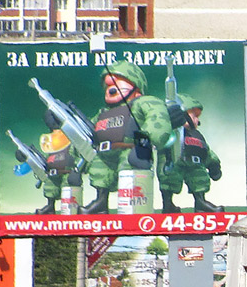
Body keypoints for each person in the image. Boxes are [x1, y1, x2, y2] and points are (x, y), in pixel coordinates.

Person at [83, 59, 176, 213]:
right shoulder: (103, 113)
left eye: (116, 84)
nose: (110, 89)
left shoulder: (144, 102)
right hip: (105, 154)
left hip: (130, 151)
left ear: (135, 84)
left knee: (129, 168)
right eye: (107, 86)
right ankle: (101, 202)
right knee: (98, 169)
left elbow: (157, 119)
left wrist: (144, 144)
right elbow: (90, 131)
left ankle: (134, 208)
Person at [158, 94, 224, 213]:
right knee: (169, 179)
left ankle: (200, 202)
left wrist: (214, 165)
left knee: (199, 178)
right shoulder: (171, 132)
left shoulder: (197, 136)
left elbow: (207, 152)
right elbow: (159, 140)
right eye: (195, 116)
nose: (198, 121)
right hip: (174, 162)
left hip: (195, 164)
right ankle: (168, 204)